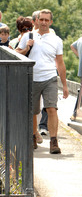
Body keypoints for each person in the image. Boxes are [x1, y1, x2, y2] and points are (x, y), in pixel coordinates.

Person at [16, 9, 69, 154]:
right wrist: (27, 47)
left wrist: (64, 85)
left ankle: (53, 141)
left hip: (50, 77)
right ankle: (33, 136)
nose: (44, 22)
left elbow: (60, 63)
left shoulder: (56, 40)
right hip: (32, 77)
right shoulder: (27, 36)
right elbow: (16, 54)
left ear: (51, 22)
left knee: (51, 108)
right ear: (37, 21)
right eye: (42, 19)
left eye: (47, 20)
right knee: (33, 111)